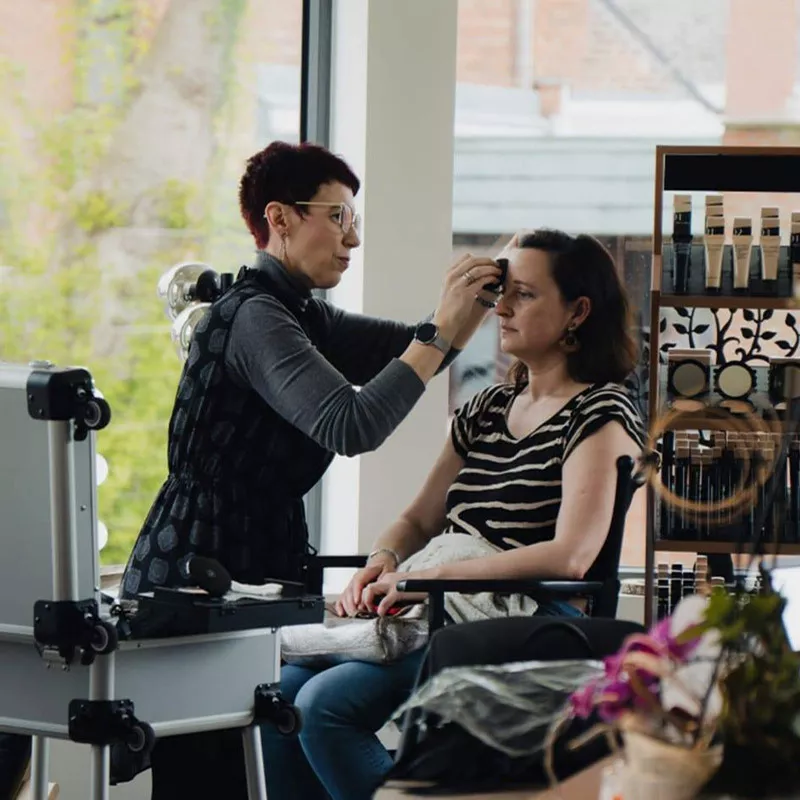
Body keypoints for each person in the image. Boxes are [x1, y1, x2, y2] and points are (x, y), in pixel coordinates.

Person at [119, 141, 501, 799]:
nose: (353, 237)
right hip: (201, 569)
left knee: (241, 765)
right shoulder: (257, 317)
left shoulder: (301, 312)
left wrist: (471, 308)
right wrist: (440, 334)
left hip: (249, 563)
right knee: (209, 774)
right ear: (282, 218)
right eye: (338, 215)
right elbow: (349, 424)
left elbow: (411, 347)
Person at [261, 228, 646, 800]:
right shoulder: (487, 406)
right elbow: (417, 520)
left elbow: (573, 555)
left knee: (323, 706)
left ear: (578, 312)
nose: (502, 308)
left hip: (528, 618)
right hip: (444, 603)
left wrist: (428, 578)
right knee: (277, 693)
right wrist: (383, 562)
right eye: (501, 292)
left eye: (526, 295)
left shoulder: (601, 410)